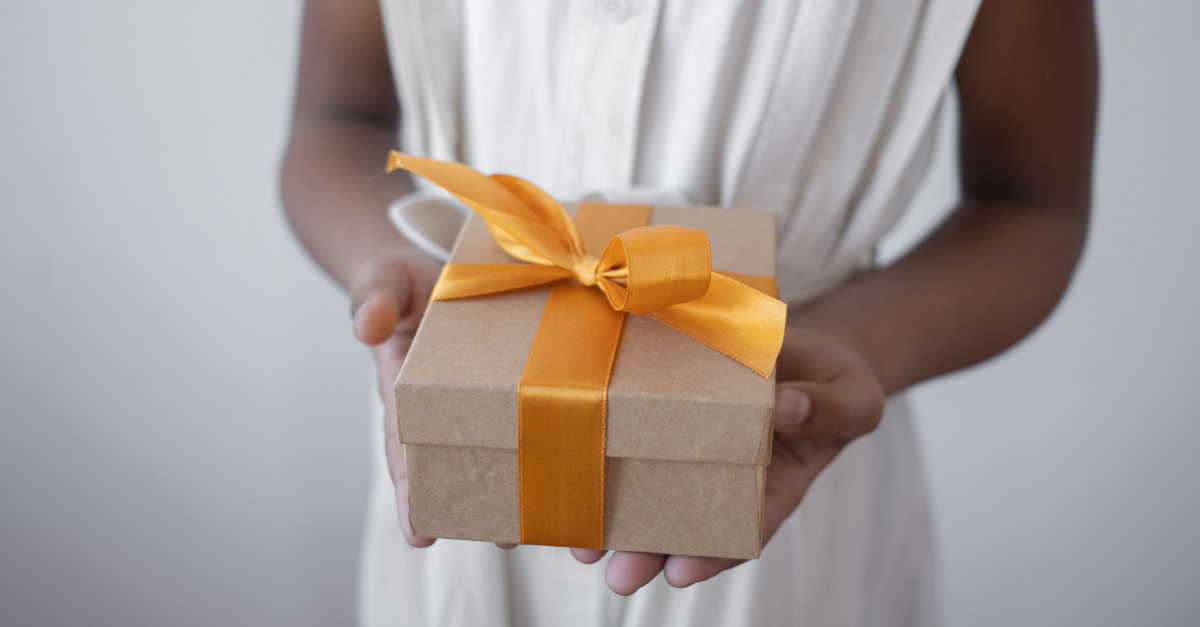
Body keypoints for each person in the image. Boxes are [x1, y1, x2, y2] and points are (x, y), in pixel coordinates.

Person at [281, 0, 1097, 624]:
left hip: (786, 458)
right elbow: (336, 115)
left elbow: (1030, 200)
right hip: (469, 432)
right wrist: (396, 274)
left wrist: (852, 345)